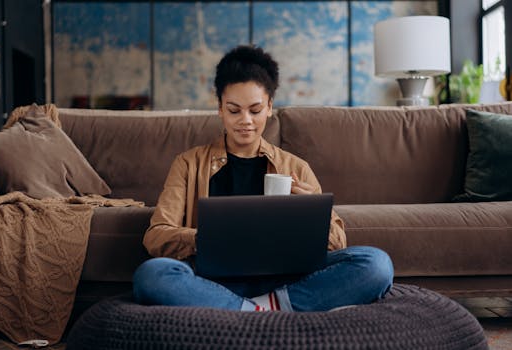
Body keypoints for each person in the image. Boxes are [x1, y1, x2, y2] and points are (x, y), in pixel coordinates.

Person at [133, 45, 393, 312]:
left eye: (255, 110)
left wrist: (313, 213)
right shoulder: (188, 164)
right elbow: (155, 236)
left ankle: (251, 308)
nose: (245, 121)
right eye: (234, 110)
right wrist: (203, 239)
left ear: (269, 107)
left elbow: (338, 243)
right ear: (220, 108)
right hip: (213, 282)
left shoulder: (295, 167)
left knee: (377, 265)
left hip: (286, 282)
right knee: (151, 275)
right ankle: (261, 309)